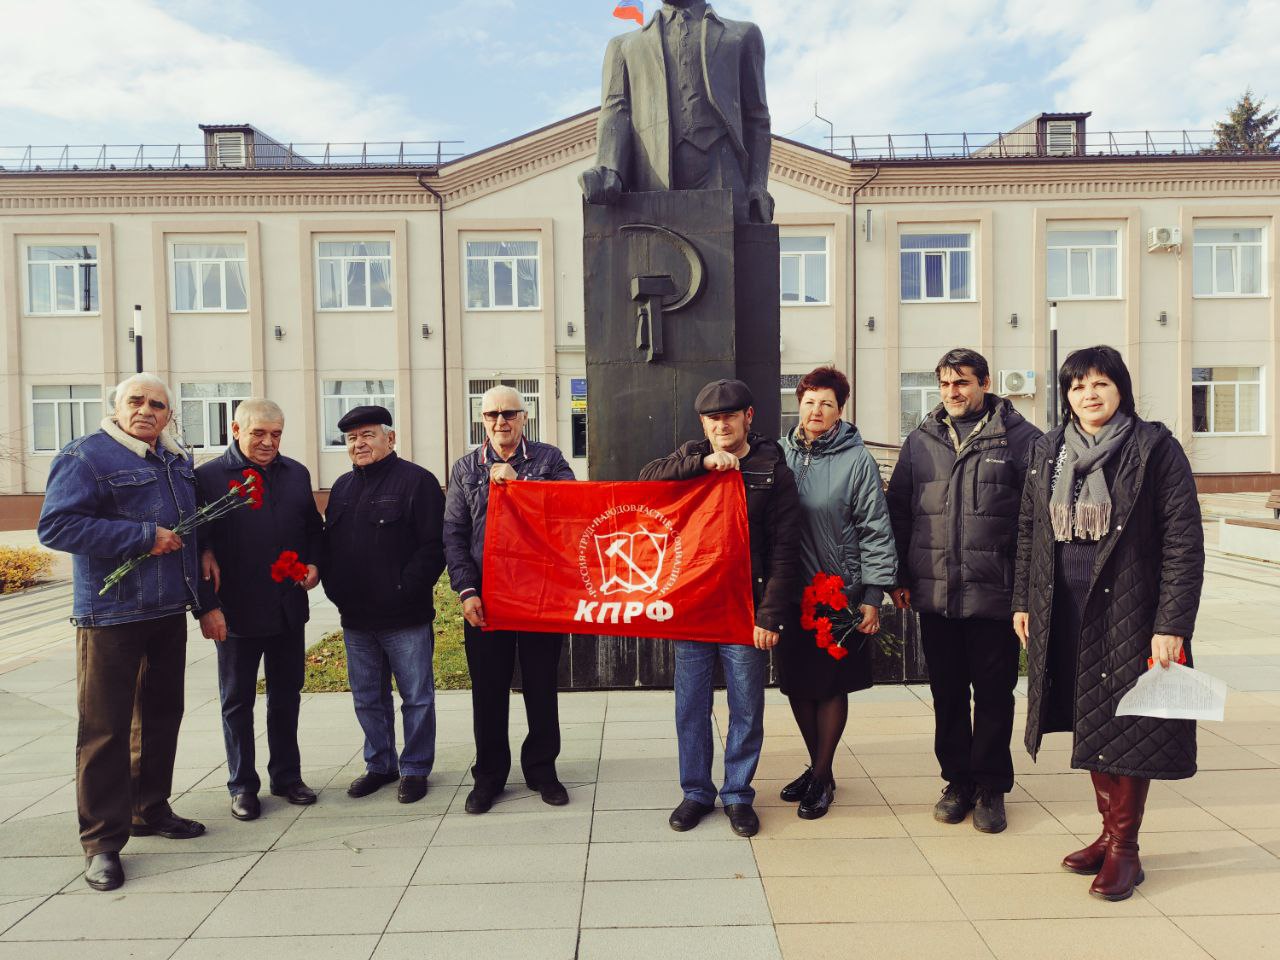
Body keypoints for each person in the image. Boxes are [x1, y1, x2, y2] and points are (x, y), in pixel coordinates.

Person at [1013, 345, 1204, 901]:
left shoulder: (1154, 449)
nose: (1088, 395)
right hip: (1064, 607)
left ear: (1121, 388)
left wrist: (1171, 623)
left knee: (1132, 723)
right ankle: (1106, 833)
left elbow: (1183, 541)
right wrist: (1023, 600)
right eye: (1077, 386)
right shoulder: (1049, 449)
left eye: (1100, 383)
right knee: (1090, 719)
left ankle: (1126, 849)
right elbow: (1029, 530)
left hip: (1131, 609)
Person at [37, 373, 205, 892]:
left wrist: (201, 596)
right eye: (136, 401)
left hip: (166, 609)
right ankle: (102, 842)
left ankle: (149, 808)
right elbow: (56, 526)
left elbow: (189, 531)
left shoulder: (175, 460)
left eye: (157, 404)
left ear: (168, 415)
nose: (146, 410)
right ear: (116, 406)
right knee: (105, 729)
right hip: (111, 614)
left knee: (161, 716)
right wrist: (141, 537)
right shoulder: (86, 456)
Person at [886, 348, 1042, 833]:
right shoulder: (921, 441)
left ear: (985, 383)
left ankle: (991, 786)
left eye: (962, 382)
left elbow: (1034, 524)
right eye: (945, 384)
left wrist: (1025, 595)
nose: (952, 392)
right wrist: (899, 577)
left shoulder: (1023, 440)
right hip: (936, 594)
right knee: (947, 694)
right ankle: (957, 781)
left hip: (994, 595)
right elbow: (900, 512)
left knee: (994, 695)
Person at [639, 379, 800, 837]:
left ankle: (737, 794)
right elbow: (645, 479)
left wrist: (770, 615)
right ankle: (695, 792)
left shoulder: (772, 470)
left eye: (729, 416)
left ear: (748, 417)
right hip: (693, 606)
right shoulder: (690, 457)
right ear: (703, 424)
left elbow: (785, 549)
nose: (721, 425)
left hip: (745, 608)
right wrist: (701, 464)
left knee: (746, 706)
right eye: (713, 419)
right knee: (690, 706)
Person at [443, 386, 577, 814]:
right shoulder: (466, 468)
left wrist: (522, 484)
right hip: (487, 597)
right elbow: (454, 535)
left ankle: (542, 770)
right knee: (488, 690)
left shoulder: (549, 460)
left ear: (524, 417)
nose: (500, 421)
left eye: (509, 413)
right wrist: (466, 591)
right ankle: (489, 776)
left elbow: (570, 508)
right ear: (482, 420)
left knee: (541, 686)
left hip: (539, 594)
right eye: (491, 415)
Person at [195, 398, 323, 821]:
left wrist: (314, 564)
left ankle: (287, 777)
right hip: (236, 612)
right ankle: (242, 785)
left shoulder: (297, 473)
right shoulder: (208, 478)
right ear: (236, 430)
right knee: (237, 702)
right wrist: (207, 606)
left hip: (287, 609)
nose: (268, 442)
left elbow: (312, 529)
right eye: (259, 433)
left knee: (286, 697)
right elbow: (197, 545)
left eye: (276, 434)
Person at [778, 366, 897, 819]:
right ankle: (818, 771)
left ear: (839, 410)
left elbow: (875, 529)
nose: (816, 410)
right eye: (809, 401)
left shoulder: (856, 459)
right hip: (789, 590)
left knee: (829, 685)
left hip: (838, 592)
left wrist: (872, 595)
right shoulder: (780, 453)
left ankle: (822, 775)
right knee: (797, 684)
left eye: (826, 403)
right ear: (799, 404)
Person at [320, 406, 446, 804]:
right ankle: (380, 764)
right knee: (367, 699)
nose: (359, 444)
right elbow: (330, 547)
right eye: (351, 438)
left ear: (390, 439)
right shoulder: (341, 487)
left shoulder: (417, 482)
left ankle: (415, 768)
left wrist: (403, 590)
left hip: (404, 617)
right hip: (356, 619)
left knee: (417, 698)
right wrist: (336, 590)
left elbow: (433, 547)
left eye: (367, 435)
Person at [580, 0, 774, 224]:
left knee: (732, 245)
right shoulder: (623, 46)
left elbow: (756, 117)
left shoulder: (742, 36)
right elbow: (615, 112)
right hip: (654, 182)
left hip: (725, 176)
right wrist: (609, 169)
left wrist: (758, 184)